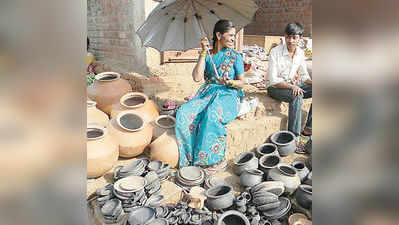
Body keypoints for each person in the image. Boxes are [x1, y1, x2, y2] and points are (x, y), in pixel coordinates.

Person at [175, 20, 245, 172]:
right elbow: (196, 77)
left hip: (228, 94)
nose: (233, 39)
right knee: (184, 113)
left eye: (234, 36)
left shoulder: (235, 56)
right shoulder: (208, 55)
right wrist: (203, 53)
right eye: (230, 35)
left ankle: (214, 161)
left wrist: (230, 82)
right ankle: (189, 159)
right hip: (207, 93)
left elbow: (242, 83)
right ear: (219, 35)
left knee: (212, 115)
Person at [266, 22, 312, 149]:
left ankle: (308, 129)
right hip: (275, 88)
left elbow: (304, 76)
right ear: (284, 37)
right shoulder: (275, 52)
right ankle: (294, 139)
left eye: (294, 37)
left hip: (291, 86)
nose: (291, 41)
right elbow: (273, 79)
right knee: (296, 96)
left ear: (300, 38)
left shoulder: (300, 53)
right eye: (288, 37)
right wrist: (292, 87)